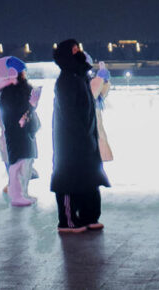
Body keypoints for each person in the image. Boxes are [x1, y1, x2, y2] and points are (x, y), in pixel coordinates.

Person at [50, 39, 109, 233]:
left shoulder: (80, 77)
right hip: (70, 141)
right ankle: (67, 220)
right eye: (74, 50)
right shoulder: (66, 80)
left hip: (85, 138)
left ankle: (89, 215)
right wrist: (81, 138)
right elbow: (69, 114)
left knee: (88, 176)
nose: (79, 53)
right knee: (68, 177)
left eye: (79, 49)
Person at [0, 55, 40, 206]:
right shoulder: (11, 90)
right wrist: (32, 104)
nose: (25, 74)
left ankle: (22, 193)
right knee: (19, 162)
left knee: (24, 161)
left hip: (22, 130)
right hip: (18, 131)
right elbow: (16, 111)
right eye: (23, 72)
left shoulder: (11, 89)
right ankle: (18, 195)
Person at [90, 60, 114, 162]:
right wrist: (101, 75)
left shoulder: (98, 97)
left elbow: (104, 88)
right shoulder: (91, 95)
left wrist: (104, 76)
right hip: (94, 132)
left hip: (99, 133)